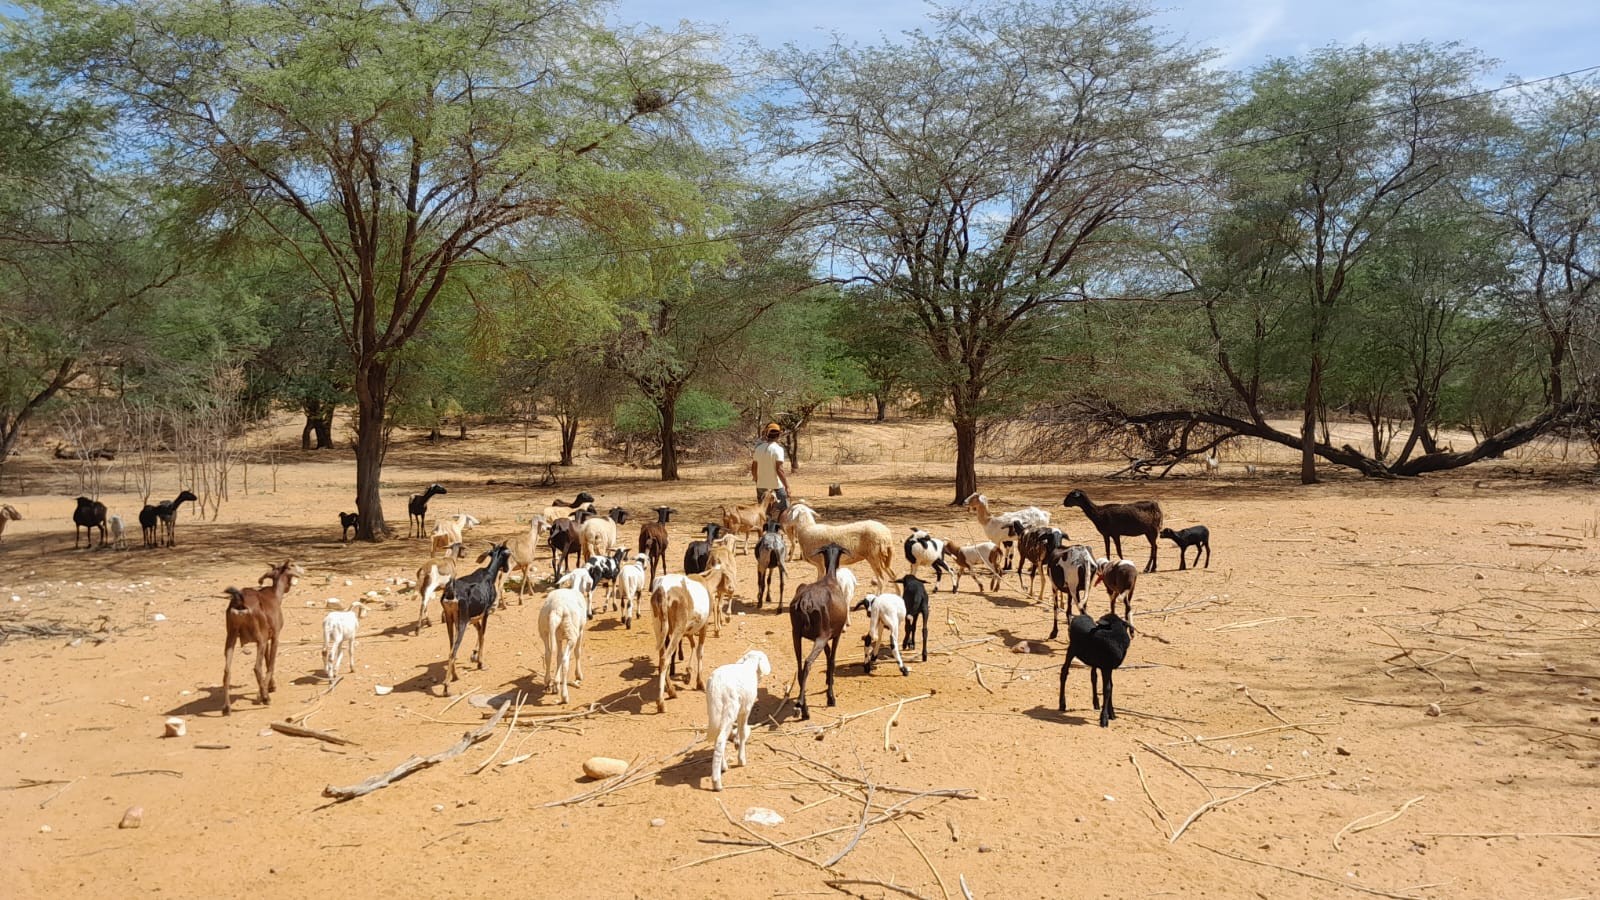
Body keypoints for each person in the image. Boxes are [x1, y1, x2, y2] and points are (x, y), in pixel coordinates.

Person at [750, 422, 791, 514]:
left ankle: (766, 527)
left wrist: (757, 479)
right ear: (779, 435)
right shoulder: (778, 449)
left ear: (766, 434)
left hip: (761, 485)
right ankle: (778, 527)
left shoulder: (758, 449)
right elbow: (779, 469)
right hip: (776, 486)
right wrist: (787, 486)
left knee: (764, 512)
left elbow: (753, 467)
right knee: (783, 510)